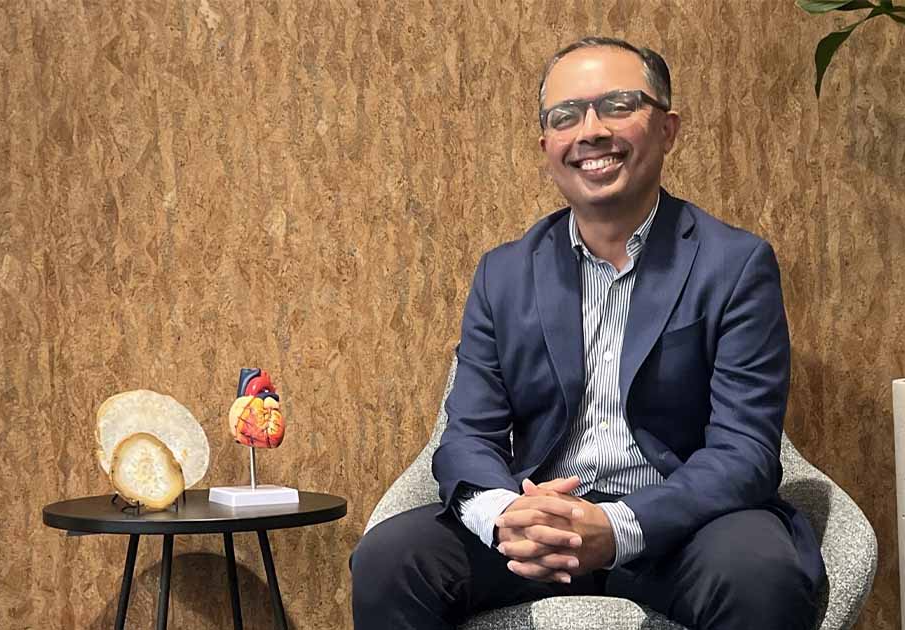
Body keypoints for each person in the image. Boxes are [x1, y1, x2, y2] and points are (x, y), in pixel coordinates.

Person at [351, 36, 825, 630]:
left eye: (619, 106)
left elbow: (745, 450)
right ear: (546, 146)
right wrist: (506, 516)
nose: (591, 131)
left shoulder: (734, 265)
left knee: (760, 572)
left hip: (679, 527)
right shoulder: (504, 274)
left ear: (668, 129)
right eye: (566, 116)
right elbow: (467, 435)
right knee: (391, 559)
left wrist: (619, 525)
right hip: (539, 524)